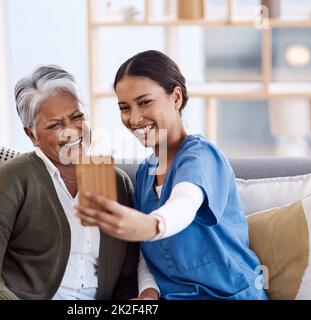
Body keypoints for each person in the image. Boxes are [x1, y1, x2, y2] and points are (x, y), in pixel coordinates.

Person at [75, 50, 269, 300]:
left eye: (144, 102)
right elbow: (148, 253)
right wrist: (148, 292)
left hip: (228, 295)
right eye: (124, 108)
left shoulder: (201, 156)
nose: (134, 118)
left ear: (176, 97)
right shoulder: (145, 174)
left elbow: (184, 204)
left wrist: (150, 225)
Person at [0, 65, 140, 300]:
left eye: (77, 117)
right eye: (55, 125)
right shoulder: (13, 178)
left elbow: (127, 279)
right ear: (31, 135)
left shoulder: (118, 184)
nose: (71, 131)